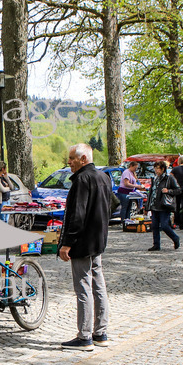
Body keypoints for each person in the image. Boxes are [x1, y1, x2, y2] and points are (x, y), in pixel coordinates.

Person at [57, 144, 111, 352]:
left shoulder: (82, 179)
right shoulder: (103, 177)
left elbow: (77, 215)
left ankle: (85, 336)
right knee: (98, 285)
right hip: (97, 241)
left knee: (83, 288)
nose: (69, 162)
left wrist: (66, 244)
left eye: (72, 158)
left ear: (83, 159)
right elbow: (110, 206)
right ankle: (101, 332)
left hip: (82, 242)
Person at [146, 160, 181, 252]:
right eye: (155, 168)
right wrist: (148, 205)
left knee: (165, 225)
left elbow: (178, 190)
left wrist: (168, 191)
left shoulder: (169, 178)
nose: (156, 171)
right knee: (154, 226)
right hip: (154, 205)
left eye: (158, 169)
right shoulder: (154, 179)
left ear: (163, 169)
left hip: (164, 205)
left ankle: (175, 238)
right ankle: (156, 244)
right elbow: (151, 192)